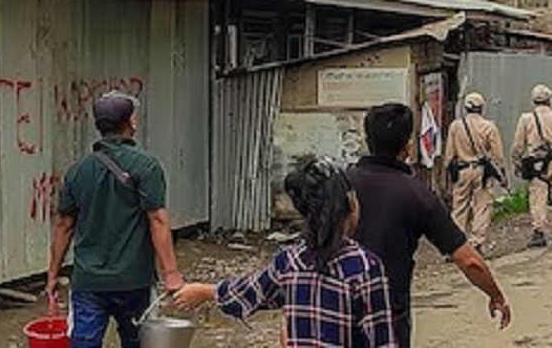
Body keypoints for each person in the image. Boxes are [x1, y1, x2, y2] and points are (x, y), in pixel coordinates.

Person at [173, 158, 396, 347]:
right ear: (351, 204)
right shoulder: (365, 268)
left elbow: (251, 291)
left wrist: (205, 291)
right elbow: (382, 340)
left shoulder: (290, 261)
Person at [351, 103, 510, 347]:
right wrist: (495, 295)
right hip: (388, 316)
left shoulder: (340, 185)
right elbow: (468, 260)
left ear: (367, 140)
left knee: (461, 207)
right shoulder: (417, 194)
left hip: (332, 311)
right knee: (480, 208)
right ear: (408, 147)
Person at [47, 92, 183, 348]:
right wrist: (171, 273)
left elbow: (64, 226)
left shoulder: (77, 171)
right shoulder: (147, 166)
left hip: (88, 282)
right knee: (137, 342)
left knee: (84, 344)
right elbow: (157, 219)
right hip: (134, 281)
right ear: (130, 123)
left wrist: (53, 275)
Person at [512, 84, 552, 248]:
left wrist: (517, 162)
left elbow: (518, 145)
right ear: (549, 100)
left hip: (536, 165)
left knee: (537, 199)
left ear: (533, 100)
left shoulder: (526, 119)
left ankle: (539, 232)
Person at [444, 92, 507, 255]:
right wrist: (502, 174)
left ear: (466, 108)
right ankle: (476, 243)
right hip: (482, 172)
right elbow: (498, 155)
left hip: (462, 170)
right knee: (482, 207)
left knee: (459, 208)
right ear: (482, 108)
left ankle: (455, 245)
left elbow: (449, 154)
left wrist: (448, 173)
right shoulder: (489, 127)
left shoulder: (455, 126)